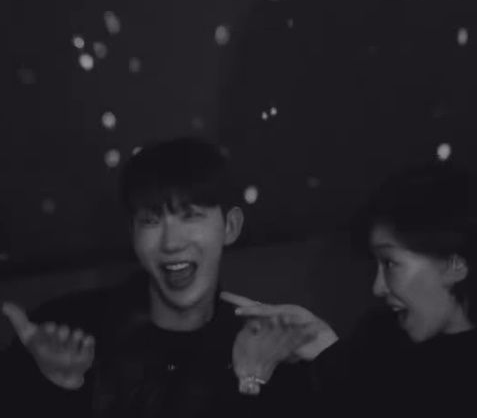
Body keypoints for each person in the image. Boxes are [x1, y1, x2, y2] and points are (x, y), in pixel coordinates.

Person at [1, 136, 320, 417]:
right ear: (133, 233)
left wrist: (252, 383)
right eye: (151, 221)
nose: (171, 243)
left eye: (191, 216)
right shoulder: (70, 327)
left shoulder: (267, 347)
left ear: (230, 227)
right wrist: (55, 387)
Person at [229, 162, 477, 417]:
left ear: (455, 266)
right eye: (376, 263)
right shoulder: (377, 338)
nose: (378, 287)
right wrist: (322, 350)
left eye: (391, 263)